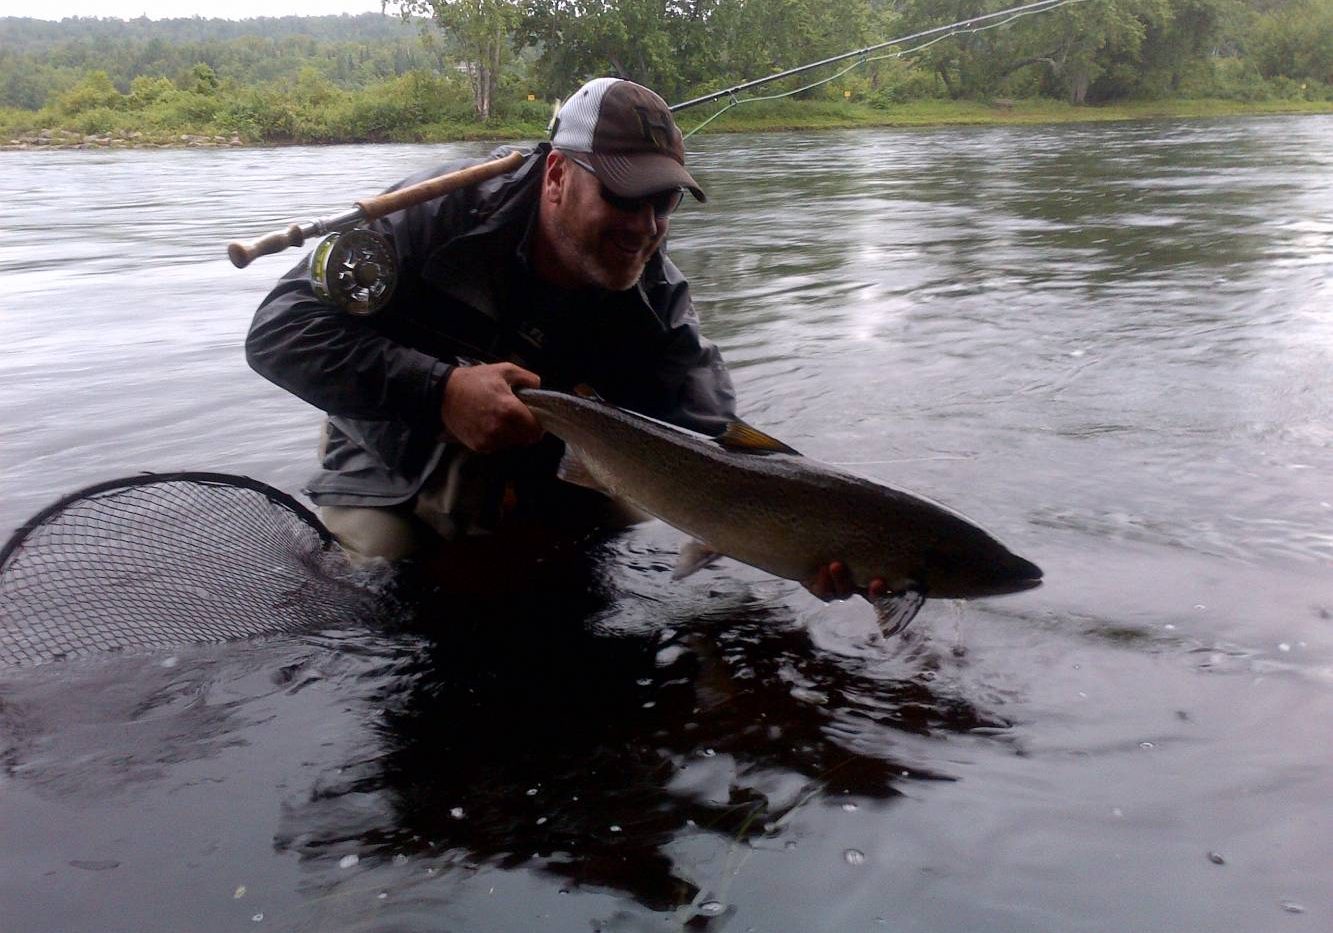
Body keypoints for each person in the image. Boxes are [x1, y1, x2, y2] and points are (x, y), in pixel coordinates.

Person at [247, 77, 873, 600]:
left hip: (556, 452)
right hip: (395, 447)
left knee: (607, 543)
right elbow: (279, 331)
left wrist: (810, 538)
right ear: (555, 175)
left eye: (664, 202)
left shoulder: (657, 293)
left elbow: (717, 439)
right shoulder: (433, 219)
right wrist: (440, 392)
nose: (645, 227)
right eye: (624, 196)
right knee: (382, 581)